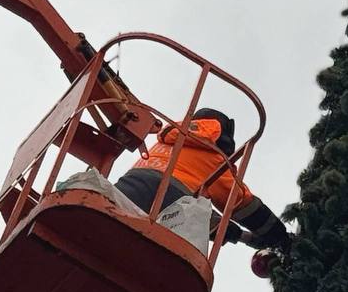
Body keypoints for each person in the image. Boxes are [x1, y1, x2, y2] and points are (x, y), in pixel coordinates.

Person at [115, 108, 290, 251]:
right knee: (193, 219)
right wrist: (280, 237)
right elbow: (240, 204)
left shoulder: (162, 143)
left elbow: (210, 222)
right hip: (174, 201)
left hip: (125, 190)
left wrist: (242, 237)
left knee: (201, 216)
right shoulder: (214, 158)